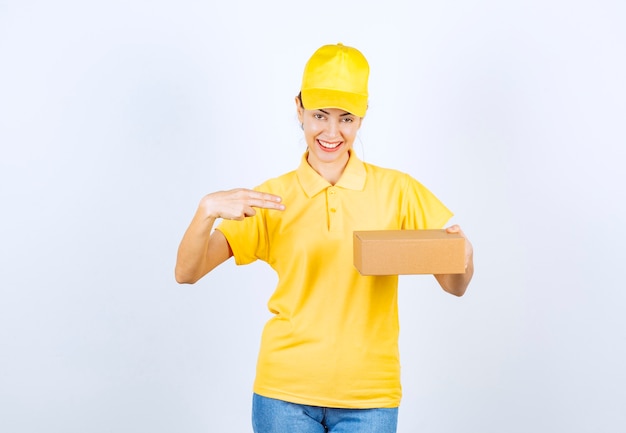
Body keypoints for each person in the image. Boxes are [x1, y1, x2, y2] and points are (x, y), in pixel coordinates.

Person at [175, 43, 474, 433]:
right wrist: (206, 211)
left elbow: (456, 286)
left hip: (370, 399)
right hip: (284, 395)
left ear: (362, 117)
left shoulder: (399, 191)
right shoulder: (271, 198)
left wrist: (463, 255)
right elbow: (187, 271)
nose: (331, 133)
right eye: (319, 115)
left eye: (346, 118)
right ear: (298, 109)